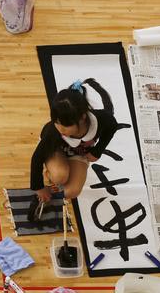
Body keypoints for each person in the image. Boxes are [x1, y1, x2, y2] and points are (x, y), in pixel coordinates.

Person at [28, 79, 118, 217]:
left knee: (73, 191)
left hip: (78, 154)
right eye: (56, 123)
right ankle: (45, 188)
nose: (60, 129)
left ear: (82, 117)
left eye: (65, 125)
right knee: (60, 176)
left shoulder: (101, 119)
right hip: (55, 150)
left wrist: (97, 150)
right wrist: (39, 188)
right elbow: (37, 157)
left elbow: (112, 126)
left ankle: (50, 194)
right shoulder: (54, 132)